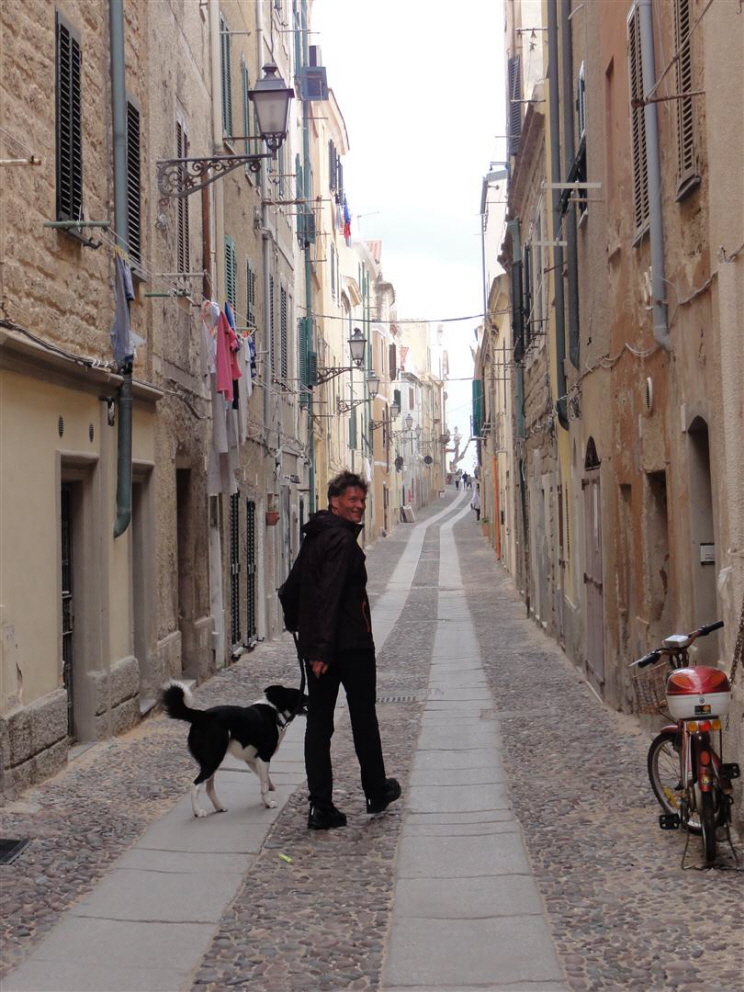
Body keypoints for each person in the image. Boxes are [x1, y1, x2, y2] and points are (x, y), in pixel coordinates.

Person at [296, 470, 401, 830]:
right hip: (349, 647)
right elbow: (329, 596)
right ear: (334, 501)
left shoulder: (316, 535)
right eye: (352, 500)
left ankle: (320, 805)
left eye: (362, 500)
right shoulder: (340, 540)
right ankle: (375, 790)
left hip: (320, 649)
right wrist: (323, 649)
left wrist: (309, 643)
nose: (359, 506)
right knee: (362, 719)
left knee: (319, 725)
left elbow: (294, 590)